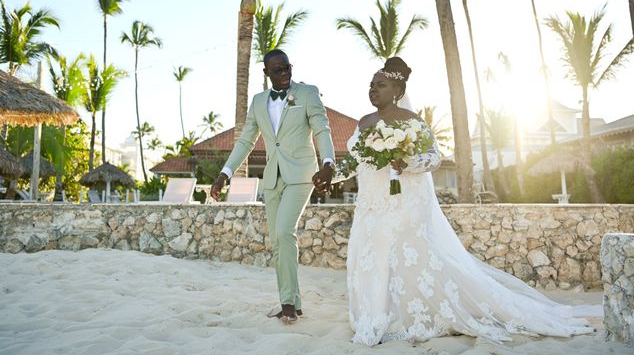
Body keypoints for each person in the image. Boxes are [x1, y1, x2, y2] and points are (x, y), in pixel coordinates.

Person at [337, 57, 597, 346]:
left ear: (397, 91)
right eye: (371, 85)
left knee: (408, 261)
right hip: (371, 206)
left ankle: (408, 315)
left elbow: (433, 158)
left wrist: (406, 161)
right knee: (373, 258)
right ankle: (375, 315)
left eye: (380, 85)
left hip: (405, 206)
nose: (373, 89)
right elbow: (352, 161)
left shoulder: (412, 122)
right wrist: (332, 174)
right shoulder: (364, 122)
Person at [210, 49, 335, 324]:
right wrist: (225, 173)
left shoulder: (307, 93)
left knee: (283, 231)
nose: (284, 73)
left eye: (287, 67)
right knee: (277, 242)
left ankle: (289, 304)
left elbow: (322, 129)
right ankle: (291, 301)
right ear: (266, 74)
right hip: (272, 178)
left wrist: (328, 162)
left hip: (301, 174)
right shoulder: (257, 102)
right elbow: (246, 141)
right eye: (277, 70)